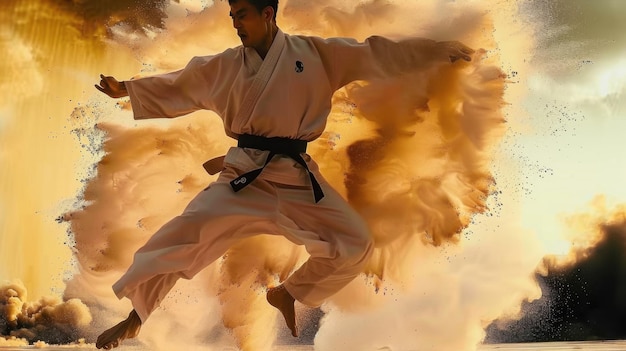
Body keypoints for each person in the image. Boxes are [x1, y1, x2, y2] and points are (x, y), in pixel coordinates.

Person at [94, 0, 473, 349]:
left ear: (267, 15)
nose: (235, 23)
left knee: (356, 243)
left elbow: (375, 54)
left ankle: (289, 293)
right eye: (231, 15)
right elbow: (181, 82)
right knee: (181, 238)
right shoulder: (225, 65)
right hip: (244, 178)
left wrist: (433, 52)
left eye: (241, 13)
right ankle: (135, 317)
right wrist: (126, 88)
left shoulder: (316, 55)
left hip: (297, 178)